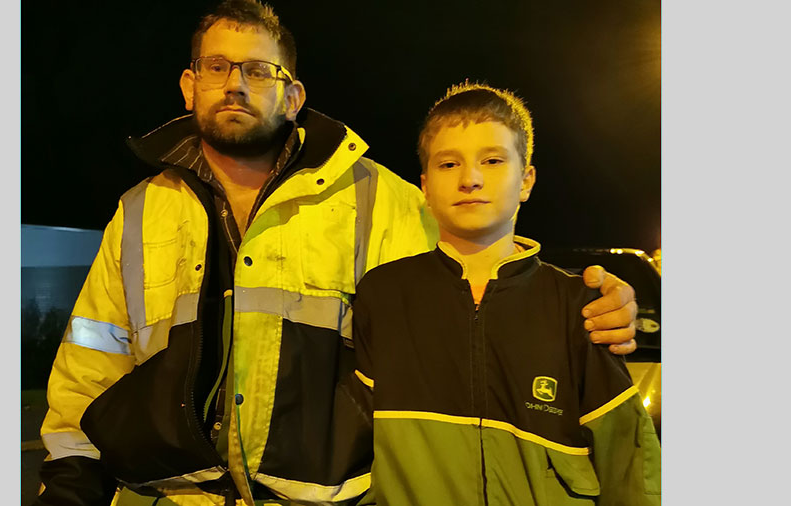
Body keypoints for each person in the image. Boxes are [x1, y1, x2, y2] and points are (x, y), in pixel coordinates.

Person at [35, 1, 640, 505]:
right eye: (217, 66)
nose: (236, 84)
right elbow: (93, 355)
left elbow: (486, 277)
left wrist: (589, 301)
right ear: (190, 83)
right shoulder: (141, 208)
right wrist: (70, 480)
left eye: (259, 71)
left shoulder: (384, 200)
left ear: (293, 95)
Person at [352, 83, 660, 505]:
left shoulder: (579, 305)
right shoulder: (383, 294)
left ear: (526, 179)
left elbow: (628, 462)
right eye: (448, 164)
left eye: (493, 160)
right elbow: (353, 444)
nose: (470, 179)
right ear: (424, 186)